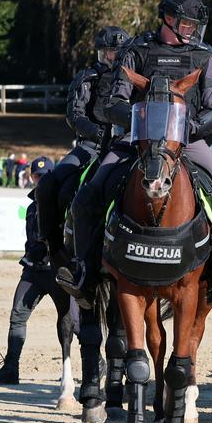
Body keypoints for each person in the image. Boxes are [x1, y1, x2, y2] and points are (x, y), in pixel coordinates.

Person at [59, 0, 212, 306]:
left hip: (187, 142)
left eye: (194, 26)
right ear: (168, 19)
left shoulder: (204, 55)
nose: (192, 31)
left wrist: (190, 127)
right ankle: (84, 274)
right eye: (187, 24)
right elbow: (111, 103)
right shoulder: (138, 50)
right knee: (86, 197)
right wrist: (142, 124)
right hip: (135, 141)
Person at [35, 25, 131, 259]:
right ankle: (48, 243)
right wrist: (99, 134)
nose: (114, 57)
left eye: (118, 52)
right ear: (100, 53)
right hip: (91, 146)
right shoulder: (87, 78)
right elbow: (74, 115)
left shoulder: (134, 81)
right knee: (49, 184)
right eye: (109, 52)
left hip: (125, 145)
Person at [0, 158, 75, 385]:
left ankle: (97, 368)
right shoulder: (32, 206)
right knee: (17, 315)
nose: (40, 180)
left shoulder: (65, 204)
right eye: (37, 176)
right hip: (33, 272)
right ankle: (10, 368)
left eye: (45, 176)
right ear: (32, 177)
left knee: (75, 323)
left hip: (57, 271)